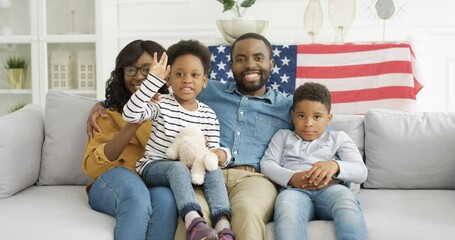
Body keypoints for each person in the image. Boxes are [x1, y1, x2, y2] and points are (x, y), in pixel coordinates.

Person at [88, 33, 340, 240]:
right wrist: (102, 103)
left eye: (258, 57)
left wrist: (335, 166)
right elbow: (149, 94)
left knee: (246, 212)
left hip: (247, 177)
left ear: (272, 63)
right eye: (240, 58)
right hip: (201, 175)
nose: (249, 64)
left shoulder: (288, 105)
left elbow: (317, 121)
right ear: (230, 65)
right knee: (192, 214)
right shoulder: (205, 91)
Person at [122, 39, 234, 240]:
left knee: (214, 168)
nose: (187, 80)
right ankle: (194, 222)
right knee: (177, 167)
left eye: (194, 75)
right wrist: (151, 84)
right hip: (154, 168)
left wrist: (221, 154)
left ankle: (223, 224)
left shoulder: (208, 114)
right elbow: (130, 114)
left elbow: (213, 150)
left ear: (204, 81)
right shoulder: (160, 104)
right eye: (179, 74)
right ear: (168, 79)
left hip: (192, 170)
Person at [81, 39, 178, 240]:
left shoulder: (175, 107)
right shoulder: (109, 112)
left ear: (164, 73)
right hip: (113, 178)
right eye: (130, 70)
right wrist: (134, 123)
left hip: (154, 177)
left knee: (167, 201)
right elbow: (92, 166)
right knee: (136, 196)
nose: (138, 77)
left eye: (146, 69)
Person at [260, 82, 368, 240]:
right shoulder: (283, 136)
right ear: (293, 116)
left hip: (331, 190)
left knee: (347, 204)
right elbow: (267, 164)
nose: (308, 123)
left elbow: (361, 172)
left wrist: (335, 165)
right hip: (294, 191)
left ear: (328, 118)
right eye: (301, 116)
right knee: (286, 209)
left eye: (317, 117)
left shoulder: (338, 138)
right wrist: (292, 178)